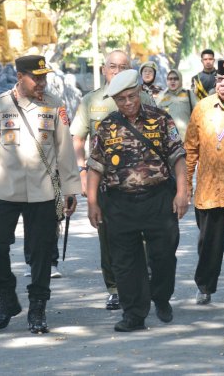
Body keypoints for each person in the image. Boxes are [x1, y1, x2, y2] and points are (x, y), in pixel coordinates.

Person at [0, 55, 82, 332]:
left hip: (44, 192)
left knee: (41, 252)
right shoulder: (0, 105)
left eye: (44, 77)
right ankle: (7, 299)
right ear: (21, 77)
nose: (42, 83)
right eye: (37, 77)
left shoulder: (55, 105)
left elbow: (65, 150)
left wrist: (69, 190)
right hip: (6, 190)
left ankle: (38, 307)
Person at [86, 69, 189, 332]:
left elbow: (178, 156)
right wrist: (93, 202)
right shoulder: (107, 127)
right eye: (121, 100)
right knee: (124, 261)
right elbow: (95, 166)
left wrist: (181, 191)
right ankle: (134, 314)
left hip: (158, 200)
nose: (128, 103)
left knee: (164, 255)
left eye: (132, 96)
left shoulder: (161, 119)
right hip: (119, 204)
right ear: (115, 101)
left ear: (140, 93)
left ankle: (161, 297)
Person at [70, 50, 155, 310]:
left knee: (143, 238)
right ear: (104, 70)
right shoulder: (91, 100)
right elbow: (77, 139)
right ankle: (115, 287)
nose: (117, 71)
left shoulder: (145, 98)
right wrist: (82, 173)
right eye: (112, 66)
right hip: (106, 183)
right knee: (108, 238)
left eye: (123, 66)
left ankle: (141, 284)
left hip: (142, 182)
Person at [184, 60, 224, 305]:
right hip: (208, 190)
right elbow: (190, 148)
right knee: (209, 245)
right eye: (219, 79)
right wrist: (186, 184)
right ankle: (205, 286)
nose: (222, 84)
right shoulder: (203, 107)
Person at [155, 69, 196, 140]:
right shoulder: (161, 96)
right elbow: (155, 118)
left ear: (180, 80)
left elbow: (198, 113)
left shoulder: (189, 94)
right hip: (170, 139)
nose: (172, 81)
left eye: (176, 79)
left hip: (187, 137)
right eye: (170, 79)